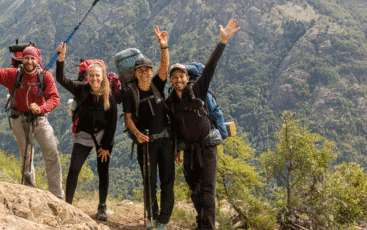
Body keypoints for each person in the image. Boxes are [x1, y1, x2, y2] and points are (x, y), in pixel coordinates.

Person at [166, 19, 240, 230]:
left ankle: (207, 227)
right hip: (189, 150)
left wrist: (222, 42)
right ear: (171, 81)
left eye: (182, 76)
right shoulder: (170, 101)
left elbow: (210, 67)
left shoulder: (196, 90)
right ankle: (202, 223)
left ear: (187, 78)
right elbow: (175, 127)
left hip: (207, 147)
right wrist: (177, 149)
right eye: (175, 77)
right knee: (194, 189)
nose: (178, 79)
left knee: (208, 190)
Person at [0, 31, 64, 199]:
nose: (29, 61)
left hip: (39, 119)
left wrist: (42, 108)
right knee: (26, 157)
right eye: (26, 58)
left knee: (51, 154)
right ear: (22, 59)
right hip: (19, 120)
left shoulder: (45, 77)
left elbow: (54, 98)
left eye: (32, 58)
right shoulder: (13, 75)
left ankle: (57, 196)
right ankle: (31, 192)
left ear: (37, 60)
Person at [55, 42, 117, 220]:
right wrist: (61, 59)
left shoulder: (109, 96)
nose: (94, 79)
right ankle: (67, 205)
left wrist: (105, 146)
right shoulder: (81, 89)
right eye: (91, 75)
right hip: (83, 135)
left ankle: (102, 207)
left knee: (102, 170)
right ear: (87, 77)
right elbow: (61, 79)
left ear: (103, 76)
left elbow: (112, 123)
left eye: (97, 75)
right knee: (74, 169)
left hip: (103, 136)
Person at [123, 26, 174, 230]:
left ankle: (163, 220)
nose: (144, 73)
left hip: (165, 141)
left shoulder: (157, 85)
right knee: (150, 183)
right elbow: (127, 118)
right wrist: (136, 134)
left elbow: (165, 66)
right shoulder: (130, 92)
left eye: (147, 70)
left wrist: (164, 47)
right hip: (146, 143)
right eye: (140, 70)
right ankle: (152, 218)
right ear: (135, 73)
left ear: (151, 72)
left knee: (168, 182)